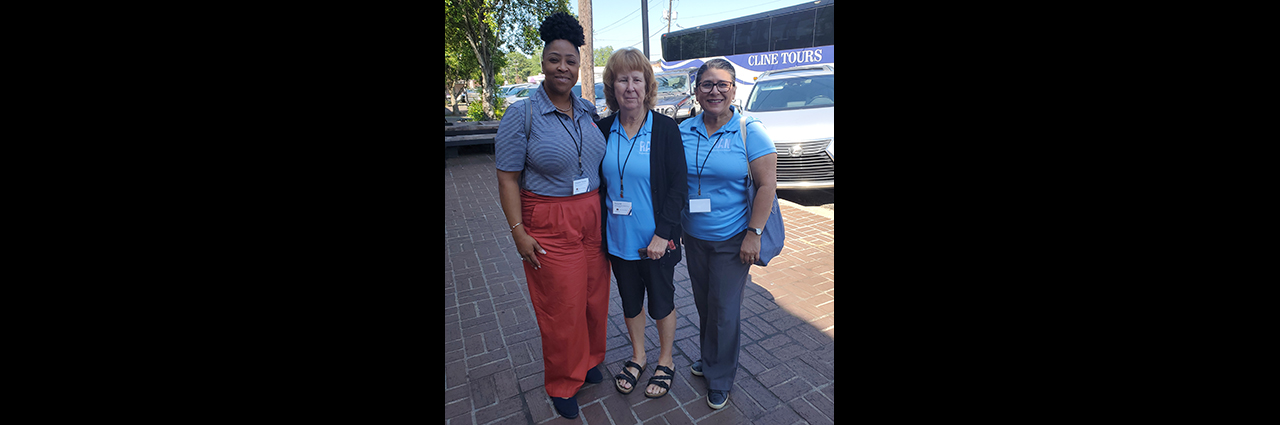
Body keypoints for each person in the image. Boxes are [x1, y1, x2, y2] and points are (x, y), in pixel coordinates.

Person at [493, 12, 608, 420]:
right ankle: (563, 381)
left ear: (579, 66)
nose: (563, 67)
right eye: (554, 59)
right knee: (563, 305)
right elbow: (507, 179)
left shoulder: (589, 111)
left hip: (593, 217)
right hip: (549, 221)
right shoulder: (521, 115)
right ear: (542, 63)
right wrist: (517, 233)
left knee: (595, 297)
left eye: (571, 61)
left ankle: (591, 360)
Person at [678, 58, 778, 410]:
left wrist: (754, 232)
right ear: (697, 91)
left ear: (734, 90)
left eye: (722, 84)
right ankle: (709, 359)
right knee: (706, 304)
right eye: (707, 84)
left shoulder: (750, 129)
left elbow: (767, 185)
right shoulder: (684, 131)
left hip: (733, 237)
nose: (714, 91)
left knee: (723, 308)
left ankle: (720, 377)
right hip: (694, 236)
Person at [594, 48, 687, 399]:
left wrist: (664, 234)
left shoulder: (664, 128)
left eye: (637, 79)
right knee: (630, 302)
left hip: (657, 241)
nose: (630, 87)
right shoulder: (602, 129)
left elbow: (679, 186)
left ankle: (666, 360)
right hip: (618, 238)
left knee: (662, 301)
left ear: (647, 86)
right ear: (612, 86)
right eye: (622, 79)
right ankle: (638, 355)